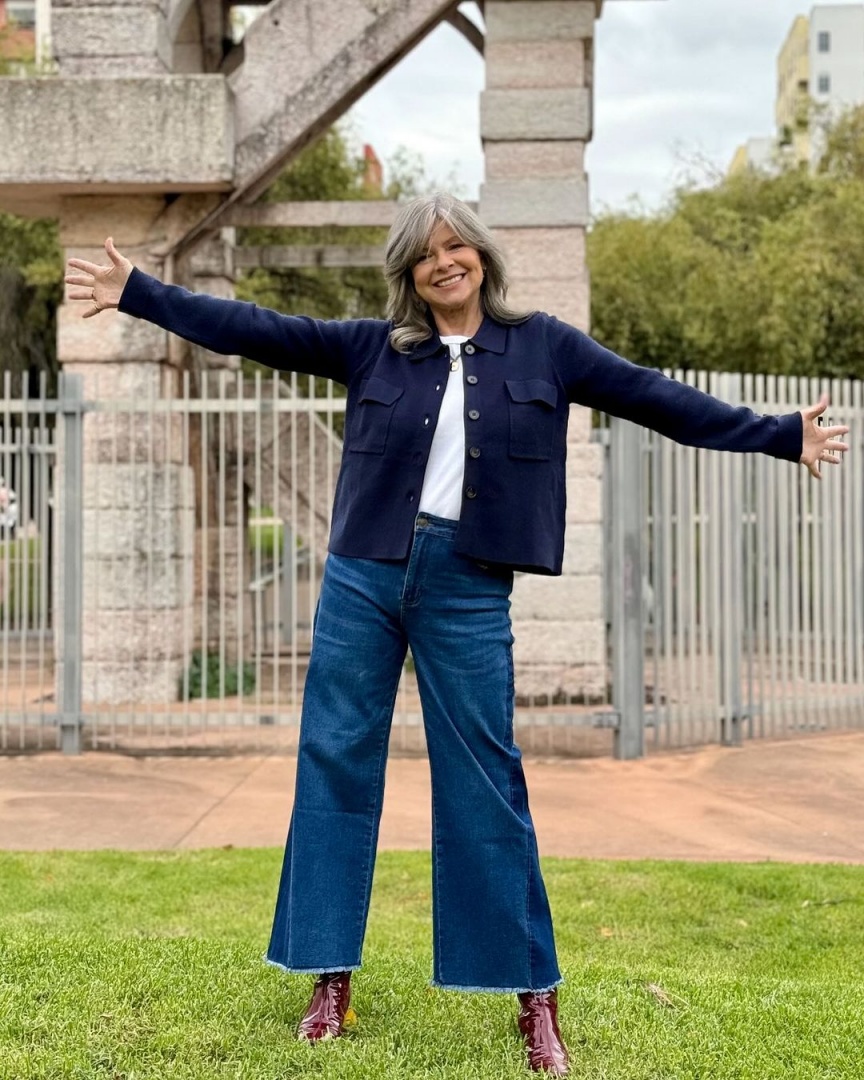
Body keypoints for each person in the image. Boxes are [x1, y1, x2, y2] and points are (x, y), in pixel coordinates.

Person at [65, 193, 849, 1076]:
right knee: (334, 759)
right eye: (427, 253)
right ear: (409, 272)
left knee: (487, 779)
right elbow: (252, 327)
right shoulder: (372, 348)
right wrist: (139, 290)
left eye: (458, 246)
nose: (446, 262)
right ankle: (328, 978)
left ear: (480, 255)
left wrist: (782, 436)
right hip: (362, 577)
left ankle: (534, 997)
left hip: (468, 585)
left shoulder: (545, 345)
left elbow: (654, 397)